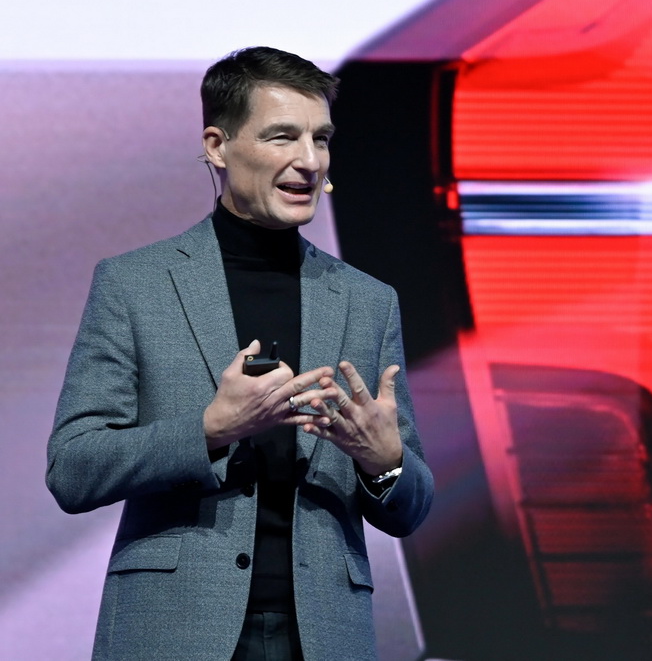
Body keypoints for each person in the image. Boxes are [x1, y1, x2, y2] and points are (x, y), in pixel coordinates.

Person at [45, 46, 433, 661]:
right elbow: (73, 469)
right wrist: (210, 430)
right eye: (283, 137)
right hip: (171, 632)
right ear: (217, 146)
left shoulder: (367, 301)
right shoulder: (136, 285)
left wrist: (382, 461)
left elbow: (411, 507)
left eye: (321, 138)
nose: (310, 160)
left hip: (324, 636)